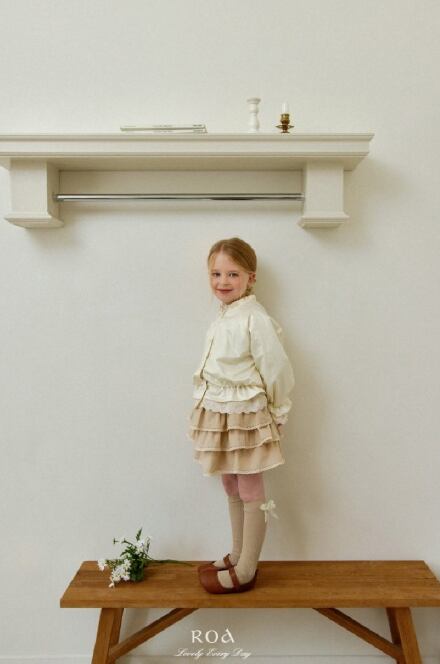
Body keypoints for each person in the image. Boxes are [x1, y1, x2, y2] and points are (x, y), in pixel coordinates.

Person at [187, 237, 295, 594]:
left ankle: (247, 568)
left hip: (247, 415)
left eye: (233, 274)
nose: (223, 281)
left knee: (249, 487)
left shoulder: (254, 318)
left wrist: (279, 410)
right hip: (222, 412)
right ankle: (237, 553)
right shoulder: (223, 316)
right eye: (216, 273)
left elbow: (276, 368)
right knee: (230, 483)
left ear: (251, 277)